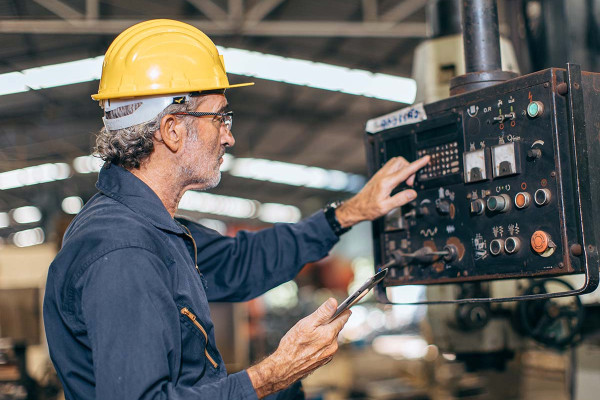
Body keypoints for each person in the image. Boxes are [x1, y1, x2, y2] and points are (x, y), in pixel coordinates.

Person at [43, 19, 430, 400]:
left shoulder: (153, 231)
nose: (229, 135)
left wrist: (351, 211)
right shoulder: (124, 252)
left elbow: (241, 261)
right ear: (172, 128)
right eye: (220, 117)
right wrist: (272, 375)